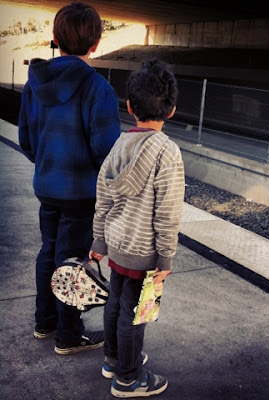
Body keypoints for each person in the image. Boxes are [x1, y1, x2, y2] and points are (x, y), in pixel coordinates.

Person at [18, 2, 121, 355]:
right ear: (96, 43)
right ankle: (69, 335)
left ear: (55, 38)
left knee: (49, 252)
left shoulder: (35, 83)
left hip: (47, 187)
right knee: (74, 261)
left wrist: (48, 164)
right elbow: (107, 152)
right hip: (81, 193)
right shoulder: (98, 88)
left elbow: (27, 139)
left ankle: (45, 322)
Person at [89, 58, 185, 398]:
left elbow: (103, 196)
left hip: (117, 245)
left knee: (116, 303)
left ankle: (113, 359)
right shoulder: (167, 152)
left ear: (129, 107)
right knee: (134, 314)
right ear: (171, 110)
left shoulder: (119, 144)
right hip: (144, 251)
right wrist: (165, 257)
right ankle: (128, 379)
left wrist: (99, 240)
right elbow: (168, 211)